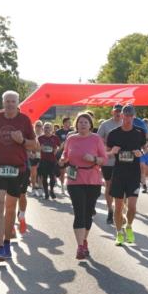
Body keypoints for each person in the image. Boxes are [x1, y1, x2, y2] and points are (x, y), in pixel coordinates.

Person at [0, 91, 37, 263]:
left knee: (11, 207)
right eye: (7, 101)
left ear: (18, 103)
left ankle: (6, 242)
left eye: (13, 101)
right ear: (3, 102)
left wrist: (21, 141)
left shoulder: (25, 120)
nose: (10, 104)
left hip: (17, 168)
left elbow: (35, 145)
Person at [58, 112, 108, 260]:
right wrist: (62, 160)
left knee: (88, 213)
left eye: (86, 122)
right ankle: (80, 247)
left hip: (93, 179)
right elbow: (66, 155)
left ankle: (84, 240)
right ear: (76, 124)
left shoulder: (96, 139)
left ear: (90, 125)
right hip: (75, 180)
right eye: (80, 122)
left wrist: (93, 158)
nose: (83, 124)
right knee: (79, 212)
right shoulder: (71, 138)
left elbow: (104, 159)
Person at [106, 105, 148, 246]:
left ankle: (129, 226)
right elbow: (105, 152)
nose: (128, 118)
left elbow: (145, 147)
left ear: (134, 117)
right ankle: (118, 233)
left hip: (134, 173)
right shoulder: (113, 133)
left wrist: (141, 153)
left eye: (131, 115)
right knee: (118, 207)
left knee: (132, 206)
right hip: (118, 173)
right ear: (121, 116)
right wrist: (112, 151)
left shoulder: (139, 132)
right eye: (126, 115)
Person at [96, 106, 123, 224]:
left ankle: (119, 210)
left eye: (120, 112)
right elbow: (97, 139)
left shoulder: (126, 123)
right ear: (112, 112)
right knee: (109, 185)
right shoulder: (105, 125)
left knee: (121, 186)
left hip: (123, 160)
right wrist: (108, 144)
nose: (118, 113)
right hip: (109, 160)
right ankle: (110, 210)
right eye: (116, 111)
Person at [38, 122, 61, 199]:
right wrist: (39, 148)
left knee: (52, 176)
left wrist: (56, 150)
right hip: (43, 160)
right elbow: (37, 148)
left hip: (52, 160)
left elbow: (59, 147)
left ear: (51, 129)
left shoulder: (55, 138)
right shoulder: (40, 138)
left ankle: (51, 190)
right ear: (43, 129)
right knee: (44, 177)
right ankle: (46, 192)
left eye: (48, 127)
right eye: (45, 127)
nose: (47, 129)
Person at [54, 117, 73, 196]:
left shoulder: (72, 132)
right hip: (61, 153)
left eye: (70, 122)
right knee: (62, 171)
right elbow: (56, 142)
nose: (69, 124)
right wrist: (62, 145)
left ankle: (70, 186)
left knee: (71, 171)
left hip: (71, 153)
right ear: (64, 123)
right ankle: (62, 186)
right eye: (68, 122)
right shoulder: (58, 132)